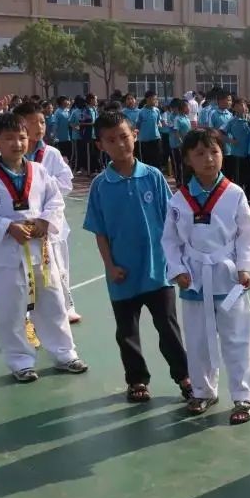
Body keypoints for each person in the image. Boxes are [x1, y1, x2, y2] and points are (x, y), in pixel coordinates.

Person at [84, 111, 192, 404]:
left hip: (158, 270)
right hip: (122, 274)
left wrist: (176, 261)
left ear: (134, 135)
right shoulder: (100, 185)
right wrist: (110, 266)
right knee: (127, 332)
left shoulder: (153, 176)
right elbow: (100, 232)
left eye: (124, 136)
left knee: (168, 328)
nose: (120, 144)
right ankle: (137, 381)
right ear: (100, 145)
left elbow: (171, 222)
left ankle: (184, 376)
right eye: (111, 140)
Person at [162, 129, 250, 424]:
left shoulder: (234, 193)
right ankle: (203, 391)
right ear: (187, 160)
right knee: (198, 339)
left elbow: (246, 233)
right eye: (200, 154)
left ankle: (243, 395)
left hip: (228, 279)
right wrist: (178, 270)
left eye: (214, 152)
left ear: (222, 154)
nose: (209, 159)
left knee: (237, 338)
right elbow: (170, 240)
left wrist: (244, 266)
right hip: (194, 279)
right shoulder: (179, 199)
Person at [0, 113, 88, 382]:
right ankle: (20, 361)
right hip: (5, 253)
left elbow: (55, 201)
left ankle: (65, 354)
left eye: (21, 137)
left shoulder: (39, 171)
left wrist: (45, 220)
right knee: (11, 309)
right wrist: (7, 226)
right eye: (9, 139)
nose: (17, 144)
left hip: (40, 249)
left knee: (53, 301)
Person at [14, 102, 81, 325]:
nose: (40, 127)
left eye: (42, 122)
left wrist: (41, 186)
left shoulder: (51, 153)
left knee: (59, 267)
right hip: (25, 223)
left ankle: (67, 306)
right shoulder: (12, 156)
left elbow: (66, 182)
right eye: (33, 122)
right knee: (28, 270)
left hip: (51, 222)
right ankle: (29, 310)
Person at [223, 100, 250, 199]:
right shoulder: (232, 121)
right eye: (238, 106)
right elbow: (220, 133)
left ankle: (249, 197)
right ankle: (237, 197)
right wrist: (231, 140)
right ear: (234, 108)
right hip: (237, 154)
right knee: (239, 178)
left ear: (246, 107)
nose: (241, 107)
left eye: (242, 105)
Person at [168, 99, 192, 188]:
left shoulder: (186, 117)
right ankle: (179, 182)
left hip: (186, 144)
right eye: (187, 106)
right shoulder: (177, 118)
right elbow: (176, 132)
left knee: (186, 163)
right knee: (179, 163)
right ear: (183, 107)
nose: (189, 108)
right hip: (177, 145)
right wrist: (181, 142)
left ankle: (186, 181)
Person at [135, 91, 164, 167]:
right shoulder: (141, 112)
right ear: (147, 99)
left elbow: (158, 122)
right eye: (153, 99)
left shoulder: (157, 110)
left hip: (156, 139)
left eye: (156, 99)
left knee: (157, 161)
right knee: (146, 162)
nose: (155, 101)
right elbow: (137, 125)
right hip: (145, 141)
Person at [53, 96, 73, 165]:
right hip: (61, 138)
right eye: (66, 100)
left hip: (69, 137)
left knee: (69, 154)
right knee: (63, 155)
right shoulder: (58, 112)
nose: (68, 102)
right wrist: (54, 136)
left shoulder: (68, 111)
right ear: (62, 102)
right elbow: (55, 125)